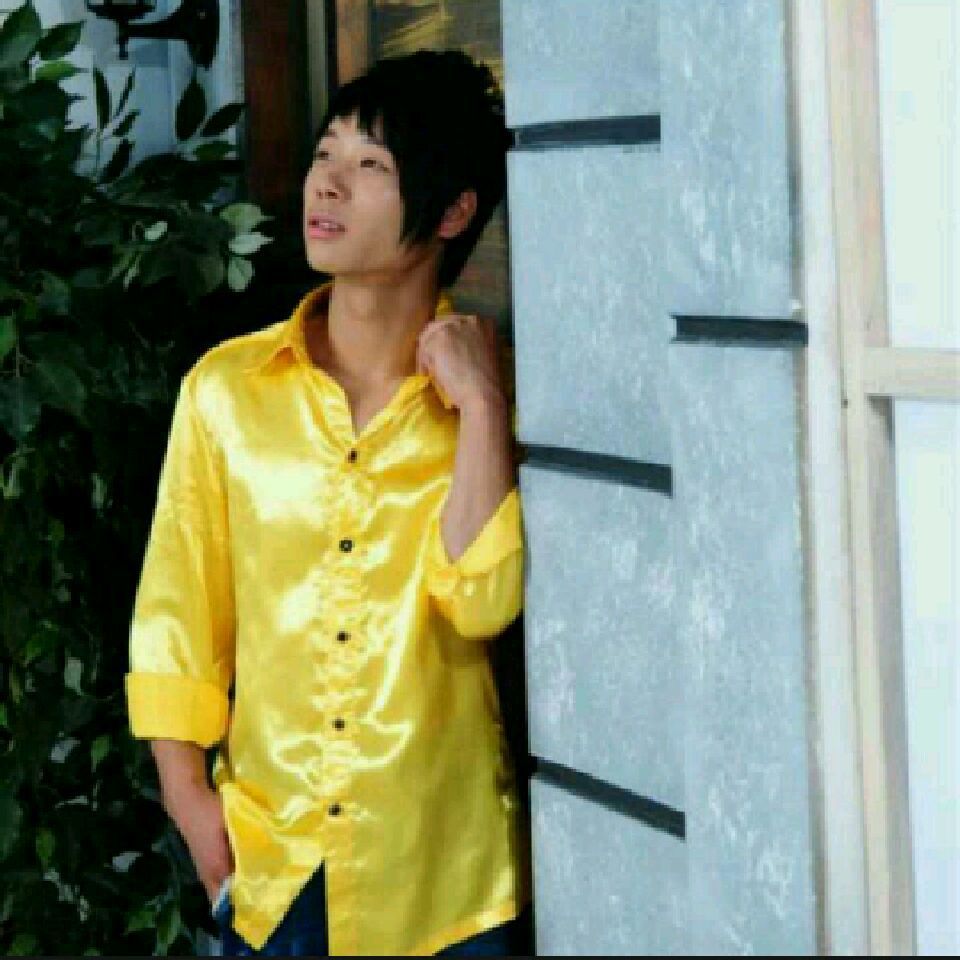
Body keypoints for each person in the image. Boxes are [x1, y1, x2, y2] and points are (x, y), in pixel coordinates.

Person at [125, 49, 532, 956]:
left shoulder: (486, 406)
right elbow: (179, 612)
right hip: (272, 870)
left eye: (372, 165)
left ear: (454, 212)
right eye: (325, 155)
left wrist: (482, 407)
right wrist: (189, 801)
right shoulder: (227, 391)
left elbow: (483, 601)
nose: (329, 184)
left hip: (443, 884)